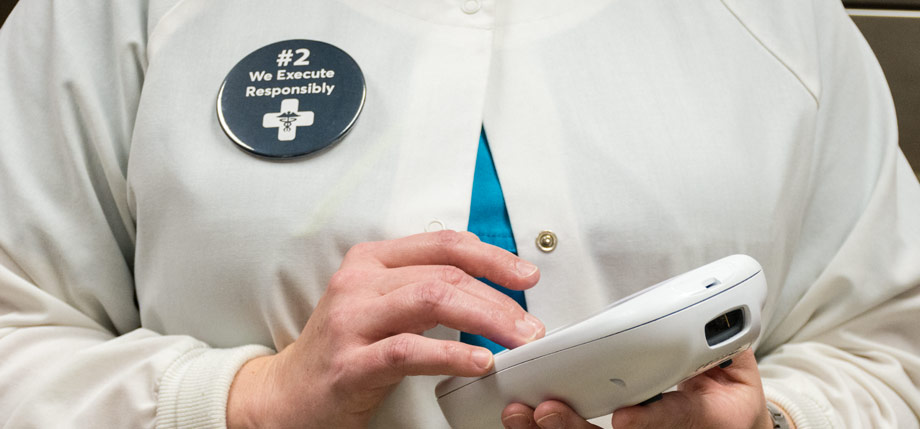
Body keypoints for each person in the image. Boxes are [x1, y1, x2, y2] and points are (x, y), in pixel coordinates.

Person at [1, 0, 919, 427]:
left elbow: (892, 351)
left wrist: (773, 425)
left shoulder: (782, 23)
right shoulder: (110, 12)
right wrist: (245, 402)